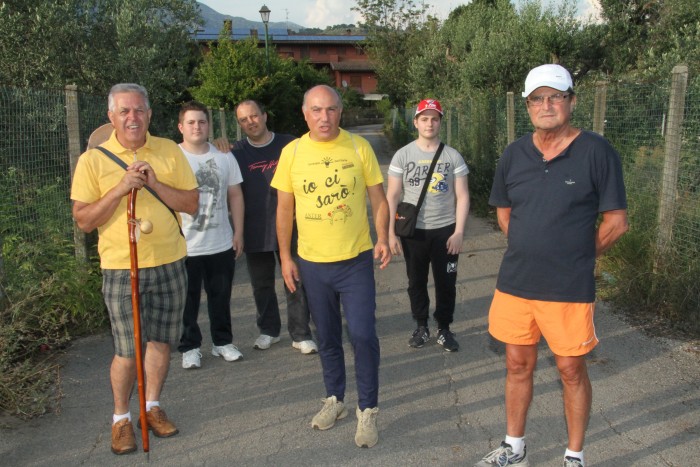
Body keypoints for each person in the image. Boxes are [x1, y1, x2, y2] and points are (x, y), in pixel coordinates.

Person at [473, 64, 628, 467]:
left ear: (571, 101)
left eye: (555, 96)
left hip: (568, 285)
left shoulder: (597, 151)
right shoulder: (514, 154)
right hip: (516, 282)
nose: (546, 105)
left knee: (571, 369)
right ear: (527, 106)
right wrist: (531, 247)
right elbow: (504, 211)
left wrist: (577, 256)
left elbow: (616, 222)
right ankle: (514, 448)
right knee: (516, 364)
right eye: (537, 98)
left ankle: (574, 456)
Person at [71, 83, 199, 455]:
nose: (133, 117)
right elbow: (84, 220)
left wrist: (154, 183)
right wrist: (119, 189)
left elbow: (191, 204)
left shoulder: (169, 151)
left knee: (160, 341)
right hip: (120, 268)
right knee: (127, 350)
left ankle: (151, 407)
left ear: (150, 114)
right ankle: (121, 419)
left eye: (139, 110)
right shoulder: (92, 160)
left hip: (169, 262)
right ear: (111, 116)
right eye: (124, 111)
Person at [270, 85, 391, 448]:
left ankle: (367, 409)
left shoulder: (358, 147)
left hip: (355, 261)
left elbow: (379, 199)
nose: (324, 117)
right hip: (312, 264)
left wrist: (383, 237)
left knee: (363, 334)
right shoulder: (292, 153)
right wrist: (285, 257)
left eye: (331, 109)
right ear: (305, 113)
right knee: (326, 336)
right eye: (317, 110)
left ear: (341, 111)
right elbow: (284, 210)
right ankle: (335, 399)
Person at [226, 100, 317, 354]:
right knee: (261, 284)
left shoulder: (291, 144)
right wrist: (219, 143)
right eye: (243, 120)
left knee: (295, 281)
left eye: (254, 116)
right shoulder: (236, 152)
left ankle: (301, 334)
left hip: (292, 226)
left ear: (265, 116)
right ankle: (269, 331)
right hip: (256, 228)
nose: (250, 122)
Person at [386, 99, 470, 352]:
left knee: (446, 283)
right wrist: (390, 233)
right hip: (414, 233)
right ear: (415, 122)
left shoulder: (452, 156)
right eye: (424, 118)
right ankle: (421, 326)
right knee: (416, 281)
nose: (429, 123)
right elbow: (392, 195)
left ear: (440, 122)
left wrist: (459, 232)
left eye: (434, 119)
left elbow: (463, 196)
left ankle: (444, 328)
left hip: (446, 231)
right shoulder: (403, 155)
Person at [176, 101, 245, 369]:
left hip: (220, 243)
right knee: (187, 301)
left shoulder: (224, 156)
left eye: (202, 122)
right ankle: (190, 347)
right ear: (181, 127)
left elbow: (235, 195)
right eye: (191, 122)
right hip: (183, 246)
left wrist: (239, 232)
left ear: (209, 126)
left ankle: (222, 343)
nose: (197, 127)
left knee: (221, 297)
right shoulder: (172, 158)